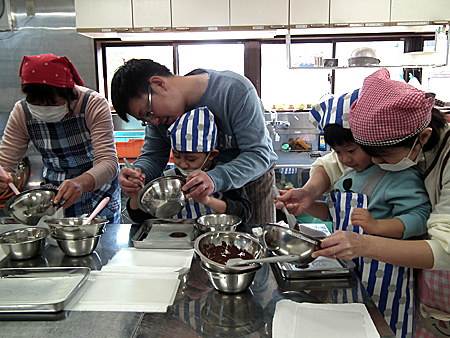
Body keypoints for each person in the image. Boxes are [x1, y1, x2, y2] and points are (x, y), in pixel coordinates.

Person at [276, 68, 450, 338]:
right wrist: (308, 196)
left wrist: (371, 236)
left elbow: (434, 237)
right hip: (365, 276)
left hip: (406, 281)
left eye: (381, 156)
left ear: (423, 138)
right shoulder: (364, 167)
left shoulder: (405, 174)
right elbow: (333, 173)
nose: (373, 163)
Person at [304, 100, 430, 337]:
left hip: (386, 281)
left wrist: (377, 226)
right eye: (338, 153)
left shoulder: (396, 174)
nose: (344, 159)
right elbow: (335, 213)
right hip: (350, 274)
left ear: (371, 143)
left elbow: (419, 217)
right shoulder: (350, 176)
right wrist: (307, 205)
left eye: (351, 151)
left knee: (382, 329)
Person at [111, 59, 277, 225]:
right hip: (200, 189)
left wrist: (214, 178)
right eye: (145, 120)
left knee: (257, 241)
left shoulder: (233, 90)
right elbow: (153, 156)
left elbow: (258, 154)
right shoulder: (160, 118)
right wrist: (137, 173)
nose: (153, 122)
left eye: (147, 113)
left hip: (251, 181)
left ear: (158, 84)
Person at [0, 54, 121, 223]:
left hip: (97, 189)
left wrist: (79, 183)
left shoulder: (92, 104)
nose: (44, 109)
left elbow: (108, 163)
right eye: (36, 104)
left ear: (69, 94)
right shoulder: (22, 112)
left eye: (53, 104)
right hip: (54, 195)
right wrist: (3, 176)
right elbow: (5, 165)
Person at [127, 106, 253, 224]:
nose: (182, 164)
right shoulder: (167, 181)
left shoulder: (224, 177)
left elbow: (244, 213)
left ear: (211, 156)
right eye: (176, 156)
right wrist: (136, 193)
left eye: (191, 159)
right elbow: (139, 218)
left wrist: (207, 200)